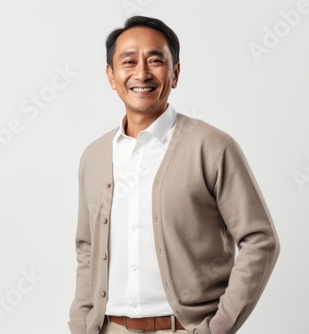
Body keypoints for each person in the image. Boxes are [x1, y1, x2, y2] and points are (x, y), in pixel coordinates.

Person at [68, 16, 280, 334]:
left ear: (175, 73)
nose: (142, 73)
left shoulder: (212, 147)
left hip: (185, 328)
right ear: (111, 76)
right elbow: (87, 246)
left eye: (156, 60)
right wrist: (80, 323)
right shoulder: (94, 157)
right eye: (128, 61)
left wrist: (220, 326)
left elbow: (259, 239)